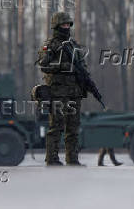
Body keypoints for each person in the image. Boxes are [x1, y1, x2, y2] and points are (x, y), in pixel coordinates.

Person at [36, 12, 88, 166]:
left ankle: (72, 159)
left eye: (68, 24)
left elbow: (82, 66)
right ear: (56, 26)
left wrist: (84, 79)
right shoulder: (50, 45)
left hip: (74, 93)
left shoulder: (74, 45)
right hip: (57, 93)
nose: (66, 27)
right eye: (64, 24)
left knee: (73, 128)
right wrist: (63, 66)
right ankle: (52, 159)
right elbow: (43, 65)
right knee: (56, 127)